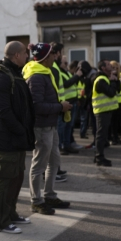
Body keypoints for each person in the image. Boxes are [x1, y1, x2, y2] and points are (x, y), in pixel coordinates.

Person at [0, 42, 35, 234]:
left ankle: (11, 213)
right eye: (25, 53)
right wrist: (19, 130)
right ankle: (1, 220)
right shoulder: (0, 76)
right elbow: (3, 111)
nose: (27, 56)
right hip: (6, 139)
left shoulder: (14, 73)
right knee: (4, 181)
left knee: (16, 178)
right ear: (16, 55)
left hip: (17, 139)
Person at [22, 43, 72, 215]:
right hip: (41, 127)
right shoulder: (36, 76)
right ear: (44, 58)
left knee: (54, 162)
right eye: (52, 55)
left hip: (50, 125)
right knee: (39, 165)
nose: (55, 57)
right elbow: (37, 106)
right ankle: (36, 200)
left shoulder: (44, 72)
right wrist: (60, 107)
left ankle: (49, 195)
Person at [92, 60, 121, 167]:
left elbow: (117, 90)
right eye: (108, 65)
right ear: (103, 68)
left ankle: (98, 156)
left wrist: (115, 80)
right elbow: (111, 92)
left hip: (107, 110)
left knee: (102, 134)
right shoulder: (100, 80)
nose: (111, 66)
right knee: (101, 135)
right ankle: (99, 157)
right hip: (101, 111)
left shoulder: (106, 78)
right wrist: (113, 81)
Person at [109, 60, 121, 146]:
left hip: (119, 102)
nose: (115, 69)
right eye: (113, 68)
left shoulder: (120, 78)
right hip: (111, 103)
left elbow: (120, 90)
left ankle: (116, 137)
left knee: (117, 122)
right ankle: (112, 138)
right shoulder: (109, 78)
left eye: (116, 68)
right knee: (112, 122)